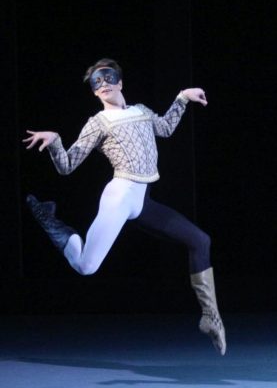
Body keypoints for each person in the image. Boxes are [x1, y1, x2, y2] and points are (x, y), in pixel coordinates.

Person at [23, 58, 226, 354]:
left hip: (142, 200)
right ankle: (49, 218)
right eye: (96, 83)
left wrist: (182, 97)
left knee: (200, 240)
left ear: (120, 82)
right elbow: (67, 166)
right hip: (120, 195)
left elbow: (166, 128)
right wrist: (55, 141)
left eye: (108, 78)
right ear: (94, 93)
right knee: (85, 266)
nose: (103, 84)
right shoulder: (98, 123)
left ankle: (210, 317)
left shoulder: (141, 112)